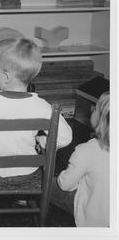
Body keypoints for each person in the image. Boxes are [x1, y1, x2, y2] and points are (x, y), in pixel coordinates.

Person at [0, 38, 72, 186]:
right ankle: (23, 196)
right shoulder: (41, 106)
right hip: (27, 173)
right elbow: (66, 137)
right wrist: (45, 141)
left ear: (6, 77)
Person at [51, 92, 110, 227]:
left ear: (101, 120)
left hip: (93, 216)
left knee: (50, 184)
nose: (92, 109)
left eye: (95, 108)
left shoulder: (87, 149)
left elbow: (65, 184)